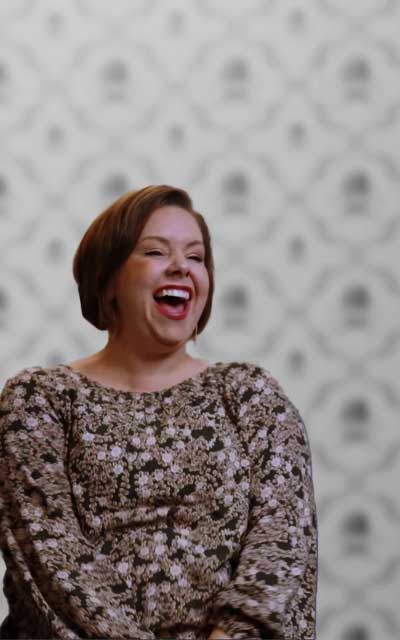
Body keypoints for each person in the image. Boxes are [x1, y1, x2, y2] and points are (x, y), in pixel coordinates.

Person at [0, 185, 318, 639]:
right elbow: (49, 557)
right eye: (155, 251)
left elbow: (284, 544)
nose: (181, 267)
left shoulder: (251, 394)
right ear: (108, 277)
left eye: (196, 256)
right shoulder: (39, 398)